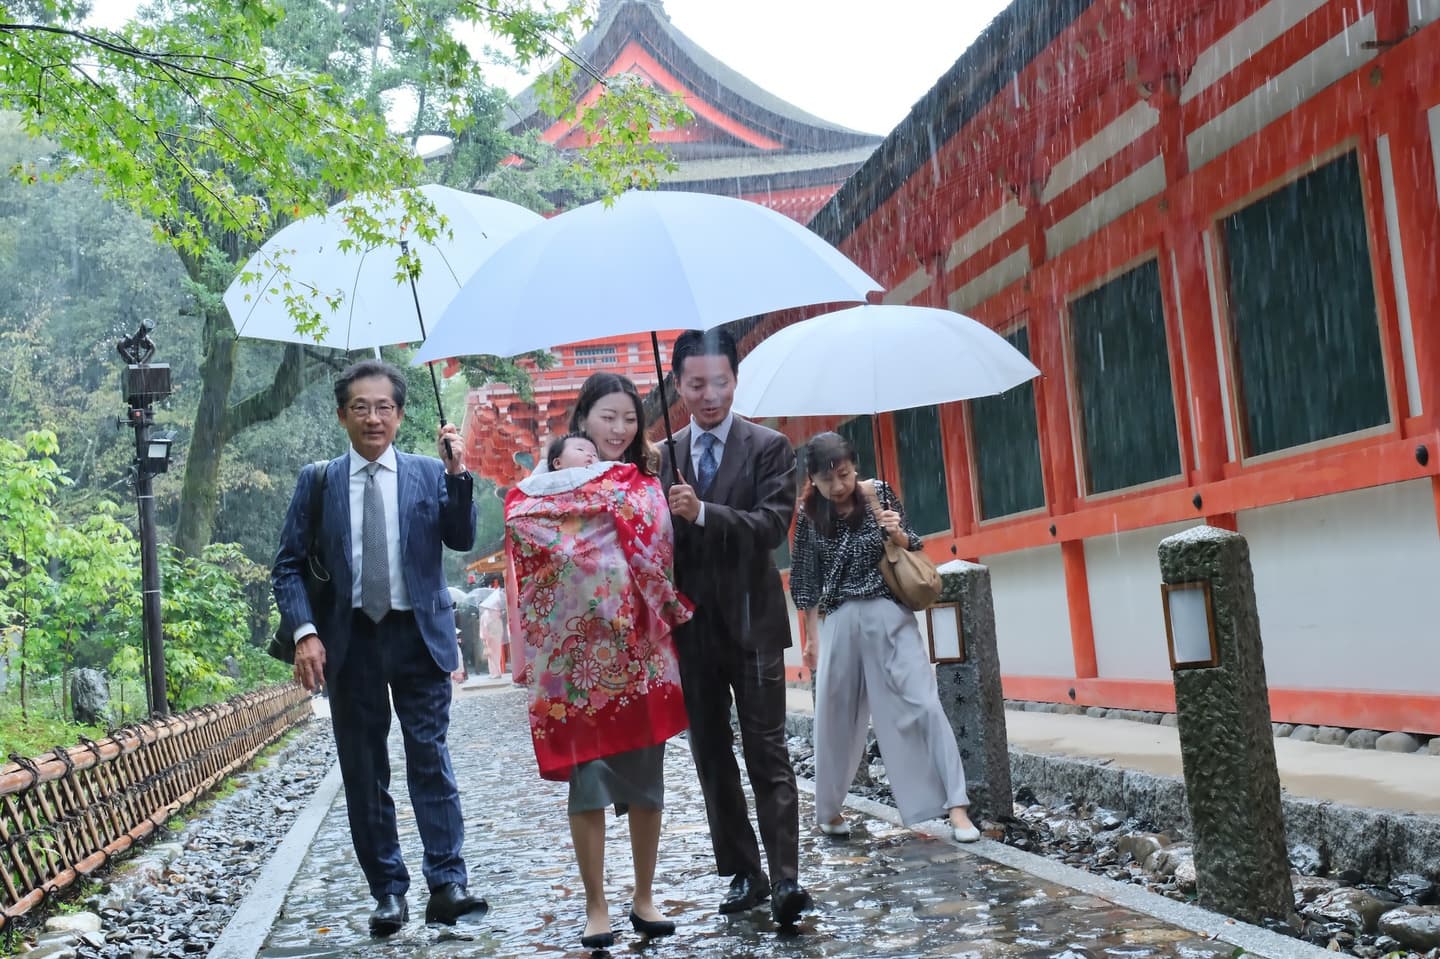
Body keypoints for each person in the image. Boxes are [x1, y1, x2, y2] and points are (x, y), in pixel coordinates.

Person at [272, 359, 486, 937]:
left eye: (384, 406)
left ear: (399, 413)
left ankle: (447, 883)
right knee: (364, 771)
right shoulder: (318, 481)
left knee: (430, 759)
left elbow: (461, 538)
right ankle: (388, 891)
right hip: (351, 641)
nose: (373, 417)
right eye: (361, 407)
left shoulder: (425, 472)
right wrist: (305, 632)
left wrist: (458, 475)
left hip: (418, 635)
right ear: (342, 415)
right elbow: (288, 566)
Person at [506, 373, 690, 950]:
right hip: (575, 659)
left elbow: (660, 549)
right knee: (588, 783)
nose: (620, 428)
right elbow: (523, 532)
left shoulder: (644, 484)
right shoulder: (540, 489)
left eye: (630, 418)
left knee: (646, 780)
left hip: (638, 651)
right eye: (608, 417)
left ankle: (643, 895)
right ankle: (596, 905)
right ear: (583, 419)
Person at [661, 328, 812, 926]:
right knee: (711, 755)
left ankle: (786, 878)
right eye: (696, 384)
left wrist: (703, 512)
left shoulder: (769, 447)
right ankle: (743, 871)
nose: (709, 395)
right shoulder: (663, 454)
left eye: (719, 382)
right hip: (693, 630)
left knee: (766, 750)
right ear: (678, 385)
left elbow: (772, 526)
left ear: (735, 379)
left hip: (752, 624)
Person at [790, 431, 980, 844]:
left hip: (888, 615)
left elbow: (913, 545)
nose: (838, 486)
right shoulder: (808, 515)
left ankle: (956, 806)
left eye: (844, 474)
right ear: (813, 480)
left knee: (924, 704)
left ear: (854, 467)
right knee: (835, 717)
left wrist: (894, 530)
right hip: (839, 620)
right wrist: (810, 637)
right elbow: (805, 580)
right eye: (828, 480)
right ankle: (829, 808)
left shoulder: (878, 494)